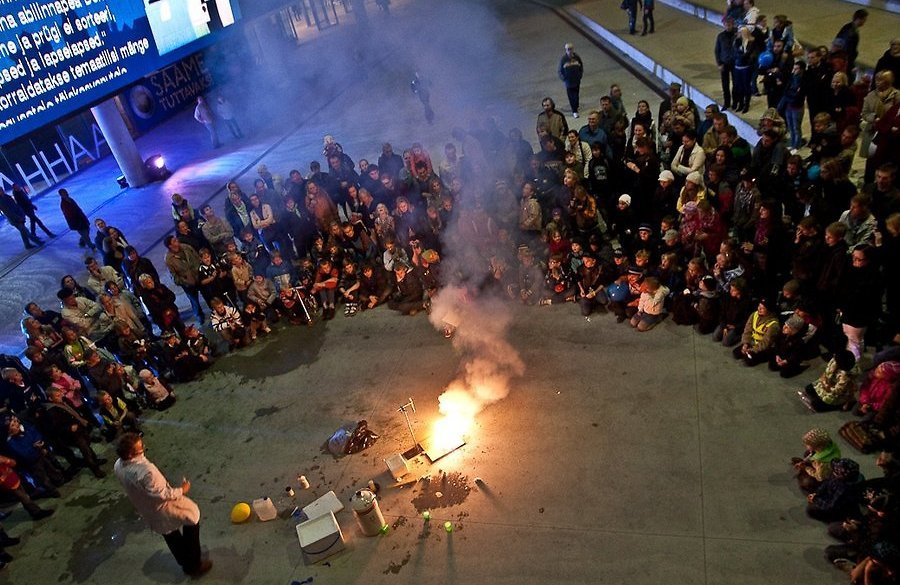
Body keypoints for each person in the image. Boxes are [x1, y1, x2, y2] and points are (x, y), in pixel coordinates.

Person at [114, 433, 212, 578]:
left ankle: (184, 562)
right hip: (162, 508)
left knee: (170, 534)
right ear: (130, 454)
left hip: (146, 508)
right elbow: (162, 494)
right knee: (192, 520)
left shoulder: (118, 465)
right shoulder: (146, 471)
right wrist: (182, 489)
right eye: (141, 449)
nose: (143, 450)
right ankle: (194, 565)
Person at [834, 9, 868, 75]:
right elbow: (848, 48)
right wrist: (850, 64)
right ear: (859, 19)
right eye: (864, 20)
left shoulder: (847, 27)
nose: (864, 22)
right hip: (845, 61)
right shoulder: (852, 32)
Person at [558, 43, 584, 118]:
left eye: (570, 49)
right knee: (571, 96)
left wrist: (580, 75)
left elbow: (581, 66)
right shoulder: (563, 59)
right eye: (568, 49)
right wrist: (564, 79)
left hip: (576, 80)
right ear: (566, 50)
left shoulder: (577, 57)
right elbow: (560, 71)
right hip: (569, 82)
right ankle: (574, 111)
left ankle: (576, 105)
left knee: (576, 95)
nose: (569, 51)